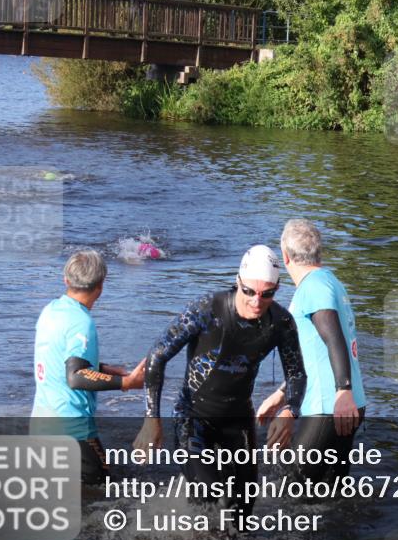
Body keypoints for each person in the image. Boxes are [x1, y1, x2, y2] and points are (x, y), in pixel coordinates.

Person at [133, 245, 306, 517]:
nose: (256, 302)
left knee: (243, 510)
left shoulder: (281, 322)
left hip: (238, 419)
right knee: (208, 494)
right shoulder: (207, 310)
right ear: (238, 282)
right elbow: (157, 355)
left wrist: (290, 410)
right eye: (249, 291)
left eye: (267, 294)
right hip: (192, 417)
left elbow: (296, 373)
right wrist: (150, 418)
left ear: (276, 289)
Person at [257, 220, 367, 483]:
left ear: (285, 256)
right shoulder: (328, 281)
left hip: (330, 406)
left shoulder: (313, 287)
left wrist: (343, 389)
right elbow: (313, 351)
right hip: (346, 404)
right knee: (331, 492)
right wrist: (282, 394)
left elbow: (333, 338)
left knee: (294, 492)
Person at [31, 250, 146, 485]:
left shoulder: (50, 310)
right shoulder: (81, 323)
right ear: (101, 285)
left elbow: (59, 359)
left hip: (41, 423)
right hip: (71, 428)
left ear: (66, 280)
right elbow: (75, 376)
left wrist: (103, 368)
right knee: (107, 490)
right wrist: (126, 383)